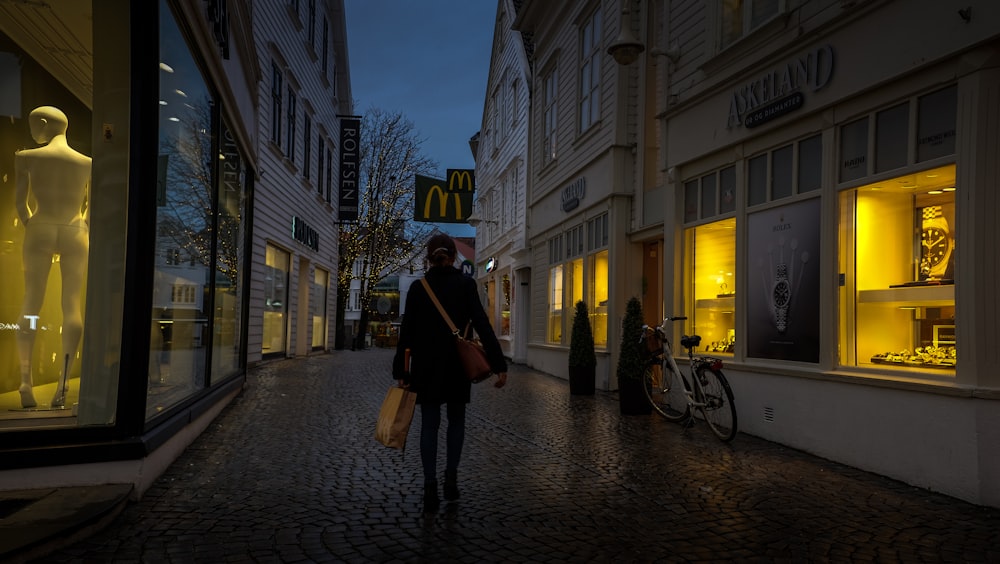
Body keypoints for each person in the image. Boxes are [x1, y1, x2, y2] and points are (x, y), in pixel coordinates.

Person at [393, 234, 508, 513]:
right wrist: (498, 364)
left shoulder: (419, 289)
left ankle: (430, 486)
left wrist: (402, 371)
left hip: (426, 367)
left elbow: (406, 333)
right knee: (456, 422)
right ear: (454, 256)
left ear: (428, 257)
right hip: (458, 366)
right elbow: (482, 323)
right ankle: (451, 480)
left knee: (429, 425)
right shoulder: (466, 285)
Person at [14, 106, 91, 409]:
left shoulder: (26, 157)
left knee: (32, 300)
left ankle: (24, 382)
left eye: (36, 124)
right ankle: (62, 387)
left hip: (42, 225)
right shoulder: (86, 163)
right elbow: (91, 210)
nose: (34, 130)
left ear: (44, 123)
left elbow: (21, 203)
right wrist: (83, 223)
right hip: (75, 229)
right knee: (71, 304)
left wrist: (32, 224)